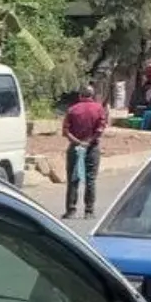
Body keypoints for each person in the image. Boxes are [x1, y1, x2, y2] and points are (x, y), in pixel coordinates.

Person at [62, 84, 108, 220]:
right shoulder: (99, 109)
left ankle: (70, 211)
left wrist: (78, 142)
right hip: (91, 148)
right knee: (90, 179)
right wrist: (88, 142)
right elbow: (100, 129)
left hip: (75, 148)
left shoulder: (72, 109)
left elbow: (66, 131)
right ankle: (89, 211)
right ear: (92, 95)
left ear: (80, 95)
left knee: (73, 180)